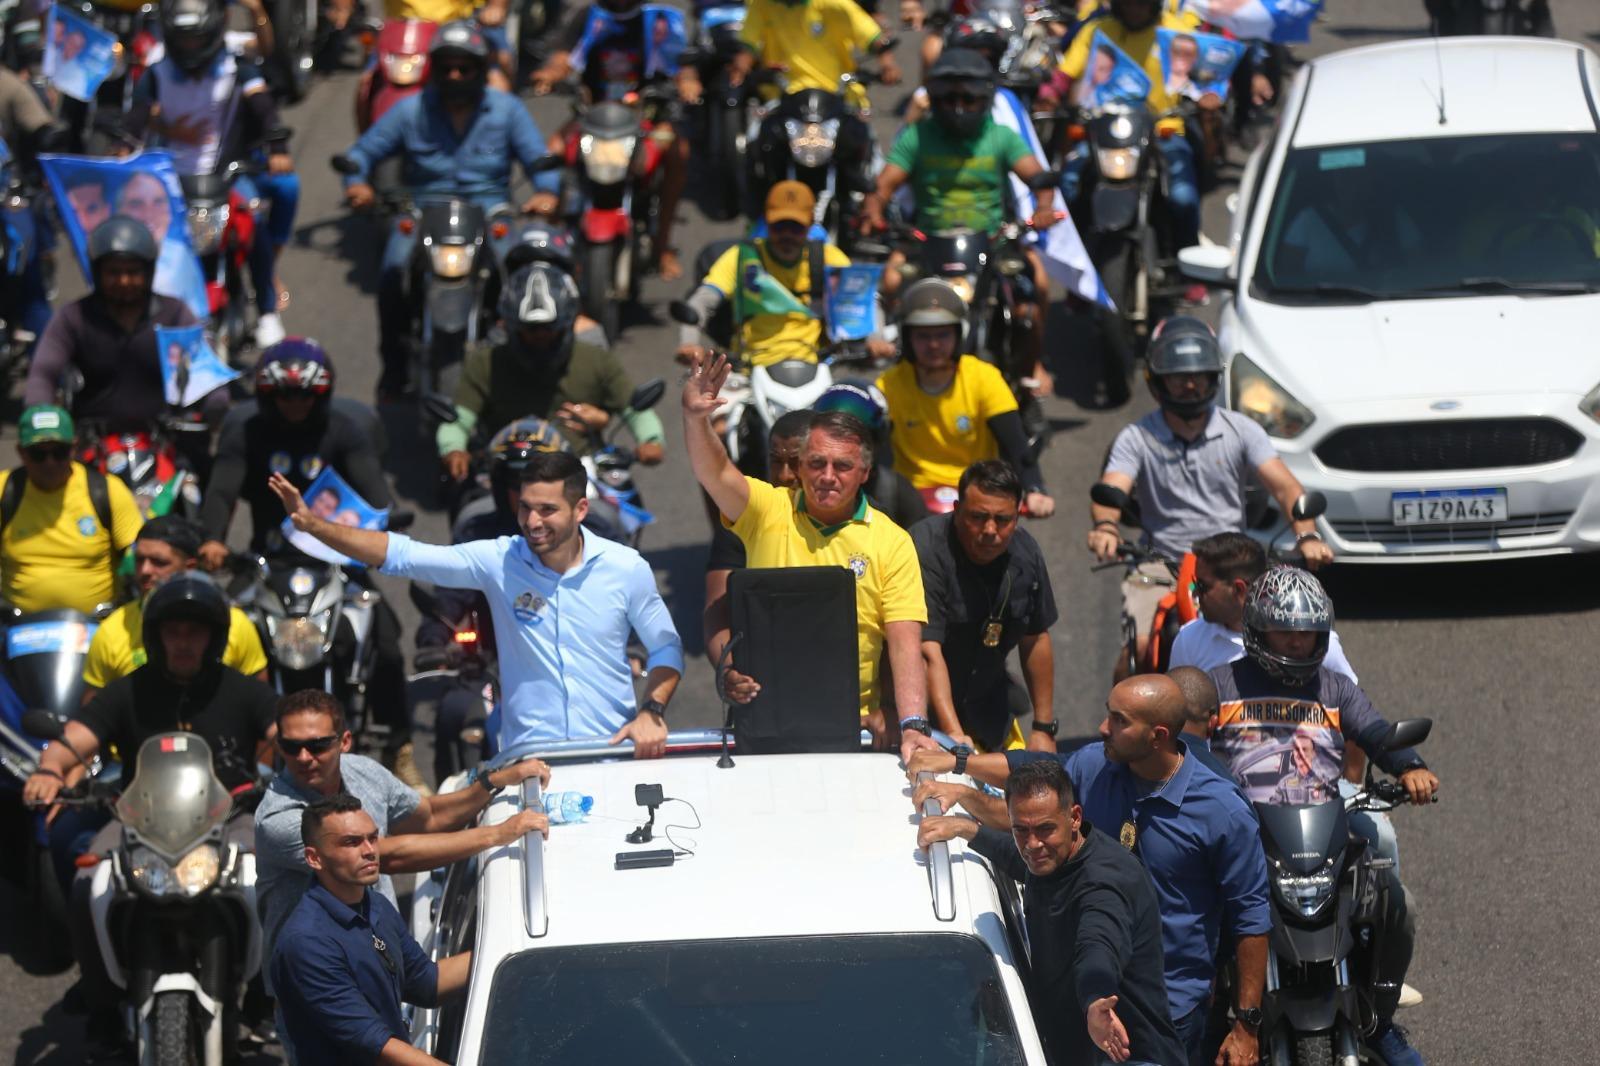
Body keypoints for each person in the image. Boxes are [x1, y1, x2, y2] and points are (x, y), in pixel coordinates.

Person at [915, 674, 1272, 1066]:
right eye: (1108, 714)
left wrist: (1246, 1025)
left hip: (1165, 1011)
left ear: (1157, 736)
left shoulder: (1224, 811)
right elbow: (1040, 795)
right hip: (1081, 1009)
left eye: (1119, 720)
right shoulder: (1095, 767)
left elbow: (1250, 919)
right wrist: (961, 776)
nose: (1104, 728)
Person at [270, 449, 684, 755]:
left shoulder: (626, 567)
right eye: (524, 507)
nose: (532, 522)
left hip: (613, 751)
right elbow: (402, 555)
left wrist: (651, 711)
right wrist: (314, 526)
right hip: (529, 762)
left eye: (547, 510)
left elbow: (666, 646)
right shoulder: (498, 560)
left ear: (580, 509)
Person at [21, 573, 276, 1052]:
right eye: (173, 631)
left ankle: (266, 995)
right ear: (155, 636)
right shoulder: (127, 690)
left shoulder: (242, 691)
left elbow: (286, 729)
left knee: (272, 879)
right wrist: (51, 771)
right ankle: (100, 1000)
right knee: (86, 884)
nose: (183, 642)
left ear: (214, 637)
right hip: (138, 817)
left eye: (194, 631)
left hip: (233, 812)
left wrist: (308, 762)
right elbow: (74, 740)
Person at [1210, 566, 1437, 1066]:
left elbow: (1377, 732)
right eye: (1284, 631)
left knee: (1398, 905)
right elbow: (1184, 743)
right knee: (1189, 908)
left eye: (1306, 632)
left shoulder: (1334, 689)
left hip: (1323, 826)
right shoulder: (1220, 685)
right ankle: (1205, 1021)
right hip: (1244, 833)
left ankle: (1378, 1018)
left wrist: (1411, 768)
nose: (1295, 642)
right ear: (1255, 629)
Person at [682, 351, 937, 761]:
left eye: (842, 465)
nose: (828, 476)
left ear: (865, 473)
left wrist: (910, 724)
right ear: (800, 466)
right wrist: (696, 419)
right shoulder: (764, 508)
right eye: (816, 463)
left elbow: (905, 642)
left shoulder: (893, 542)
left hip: (855, 730)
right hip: (762, 723)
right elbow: (714, 471)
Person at [198, 339, 424, 790]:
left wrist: (383, 523)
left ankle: (399, 749)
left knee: (386, 641)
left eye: (305, 395)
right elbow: (221, 492)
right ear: (267, 395)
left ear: (322, 395)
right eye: (285, 395)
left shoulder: (346, 429)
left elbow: (376, 494)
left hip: (338, 560)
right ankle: (221, 750)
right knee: (219, 639)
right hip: (265, 560)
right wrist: (210, 541)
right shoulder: (244, 430)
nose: (295, 404)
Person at [255, 691, 548, 1036]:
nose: (304, 757)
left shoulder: (363, 772)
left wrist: (493, 782)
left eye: (318, 745)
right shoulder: (277, 819)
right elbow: (390, 855)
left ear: (344, 741)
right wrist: (499, 834)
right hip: (320, 995)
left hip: (384, 975)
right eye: (292, 747)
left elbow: (429, 816)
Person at [1088, 315, 1332, 680]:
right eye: (1178, 376)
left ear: (1213, 378)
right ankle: (1122, 726)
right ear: (1157, 381)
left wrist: (1307, 535)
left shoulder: (1242, 430)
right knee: (1141, 646)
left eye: (1199, 375)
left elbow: (1285, 487)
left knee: (1294, 631)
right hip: (1160, 564)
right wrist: (1105, 527)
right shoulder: (1137, 437)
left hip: (1234, 566)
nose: (1190, 385)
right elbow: (1112, 489)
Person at [339, 20, 561, 399]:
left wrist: (547, 194)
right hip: (423, 211)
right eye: (446, 68)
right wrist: (357, 184)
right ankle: (393, 367)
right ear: (434, 70)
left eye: (465, 68)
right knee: (392, 272)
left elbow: (540, 161)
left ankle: (517, 362)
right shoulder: (410, 111)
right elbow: (361, 154)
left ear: (480, 69)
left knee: (520, 274)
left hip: (490, 211)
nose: (455, 76)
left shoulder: (507, 110)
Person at [918, 759, 1186, 1066]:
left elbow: (1097, 945)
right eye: (1021, 829)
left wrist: (1096, 999)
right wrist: (968, 830)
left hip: (1130, 1054)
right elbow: (1022, 861)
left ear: (1074, 817)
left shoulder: (1105, 885)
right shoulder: (1053, 857)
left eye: (1045, 829)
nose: (1033, 844)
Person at [873, 47, 1057, 394]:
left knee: (1039, 288)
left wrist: (1043, 208)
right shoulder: (917, 136)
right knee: (891, 279)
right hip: (927, 241)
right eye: (949, 99)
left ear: (985, 99)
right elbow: (885, 184)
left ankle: (1030, 366)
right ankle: (893, 354)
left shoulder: (1000, 136)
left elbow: (1037, 176)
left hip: (993, 241)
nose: (959, 107)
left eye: (969, 99)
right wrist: (873, 211)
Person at [125, 0, 296, 348]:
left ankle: (266, 311)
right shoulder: (157, 71)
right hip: (170, 182)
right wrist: (122, 148)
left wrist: (277, 146)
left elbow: (263, 107)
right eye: (183, 39)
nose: (190, 47)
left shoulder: (236, 66)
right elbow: (135, 120)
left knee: (253, 228)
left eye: (196, 38)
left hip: (225, 176)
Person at [272, 795, 471, 1066]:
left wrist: (502, 949)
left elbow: (427, 982)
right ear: (314, 858)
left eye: (373, 838)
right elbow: (373, 1045)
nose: (369, 850)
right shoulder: (306, 943)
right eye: (351, 842)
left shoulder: (375, 904)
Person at [437, 261, 666, 483]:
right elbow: (458, 420)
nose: (540, 337)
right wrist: (454, 449)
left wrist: (651, 442)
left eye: (548, 329)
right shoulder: (485, 363)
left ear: (567, 324)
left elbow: (635, 410)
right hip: (504, 477)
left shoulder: (597, 360)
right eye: (530, 330)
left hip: (582, 478)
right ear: (510, 326)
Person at [529, 0, 696, 280]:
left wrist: (688, 83)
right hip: (594, 116)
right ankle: (550, 240)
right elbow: (564, 56)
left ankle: (661, 245)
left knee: (678, 153)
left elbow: (681, 63)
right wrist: (551, 74)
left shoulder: (661, 20)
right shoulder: (588, 17)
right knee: (555, 150)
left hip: (648, 118)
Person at [25, 216, 225, 435]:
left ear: (148, 272)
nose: (124, 281)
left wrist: (217, 404)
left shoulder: (175, 313)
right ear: (98, 273)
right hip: (93, 446)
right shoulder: (74, 317)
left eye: (133, 272)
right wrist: (39, 413)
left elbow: (209, 372)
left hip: (166, 443)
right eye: (113, 272)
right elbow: (43, 373)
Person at [911, 460, 1058, 754]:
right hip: (925, 720)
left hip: (990, 714)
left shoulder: (1026, 554)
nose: (990, 530)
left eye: (1003, 520)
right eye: (978, 517)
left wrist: (1043, 729)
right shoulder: (923, 550)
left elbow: (1036, 637)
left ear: (1017, 518)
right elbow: (927, 652)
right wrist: (953, 734)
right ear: (956, 509)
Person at [874, 278, 1054, 514]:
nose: (934, 345)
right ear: (907, 339)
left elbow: (1016, 444)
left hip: (977, 497)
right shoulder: (888, 385)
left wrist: (1034, 488)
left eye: (943, 335)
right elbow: (868, 448)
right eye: (923, 336)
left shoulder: (984, 378)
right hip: (911, 503)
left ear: (959, 335)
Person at [677, 181, 890, 368]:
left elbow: (864, 302)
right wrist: (689, 344)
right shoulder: (742, 257)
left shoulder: (827, 257)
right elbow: (702, 301)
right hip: (748, 368)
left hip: (816, 366)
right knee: (711, 413)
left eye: (795, 227)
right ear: (767, 223)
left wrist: (876, 338)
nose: (787, 234)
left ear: (809, 226)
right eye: (779, 226)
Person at [1054, 0, 1205, 252]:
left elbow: (1207, 78)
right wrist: (1050, 92)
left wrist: (1209, 97)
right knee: (1068, 187)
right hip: (1104, 129)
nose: (1134, 10)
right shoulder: (1097, 30)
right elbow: (1066, 72)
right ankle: (1075, 263)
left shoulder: (1179, 34)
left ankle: (1189, 269)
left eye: (1140, 5)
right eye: (1127, 4)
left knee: (1183, 199)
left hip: (1163, 131)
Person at [81, 515, 267, 696]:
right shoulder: (110, 631)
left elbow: (261, 703)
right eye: (139, 560)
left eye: (159, 562)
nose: (145, 571)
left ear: (190, 568)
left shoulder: (237, 624)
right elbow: (93, 713)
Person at [0, 405, 142, 616]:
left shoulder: (106, 490)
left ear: (74, 448)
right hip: (16, 629)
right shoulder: (5, 491)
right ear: (21, 452)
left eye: (59, 452)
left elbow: (139, 549)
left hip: (96, 625)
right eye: (38, 454)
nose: (50, 463)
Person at [1170, 532, 1357, 681]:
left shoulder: (1313, 639)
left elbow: (1350, 704)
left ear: (1238, 589)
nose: (1195, 594)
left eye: (1202, 586)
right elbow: (1179, 711)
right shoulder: (1189, 639)